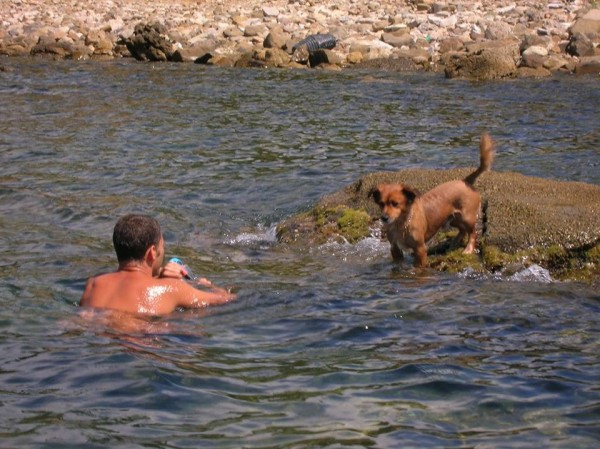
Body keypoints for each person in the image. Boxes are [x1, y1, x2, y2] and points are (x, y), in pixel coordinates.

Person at [80, 214, 236, 316]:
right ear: (152, 252)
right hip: (140, 343)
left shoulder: (94, 283)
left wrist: (159, 274)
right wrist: (202, 284)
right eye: (162, 248)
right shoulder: (172, 288)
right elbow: (227, 300)